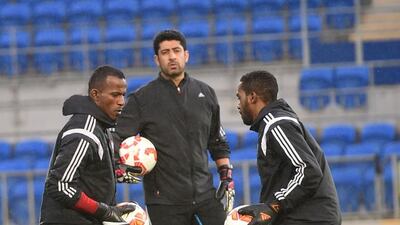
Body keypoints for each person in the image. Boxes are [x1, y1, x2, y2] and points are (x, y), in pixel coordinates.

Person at [115, 29, 234, 225]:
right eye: (165, 52)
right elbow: (117, 138)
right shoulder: (141, 99)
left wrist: (226, 175)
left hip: (206, 197)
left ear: (185, 55)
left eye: (176, 50)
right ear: (156, 59)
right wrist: (121, 167)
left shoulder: (206, 93)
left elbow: (217, 141)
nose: (172, 57)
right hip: (164, 204)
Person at [235, 70, 341, 225]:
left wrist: (273, 206)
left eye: (239, 97)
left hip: (311, 220)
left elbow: (308, 170)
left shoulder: (276, 124)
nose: (238, 105)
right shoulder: (275, 122)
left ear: (252, 97)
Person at [40, 65, 137, 225]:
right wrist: (104, 211)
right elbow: (60, 185)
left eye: (123, 95)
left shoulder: (102, 126)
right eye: (115, 95)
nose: (121, 102)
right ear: (95, 95)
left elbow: (104, 172)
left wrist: (139, 172)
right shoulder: (84, 130)